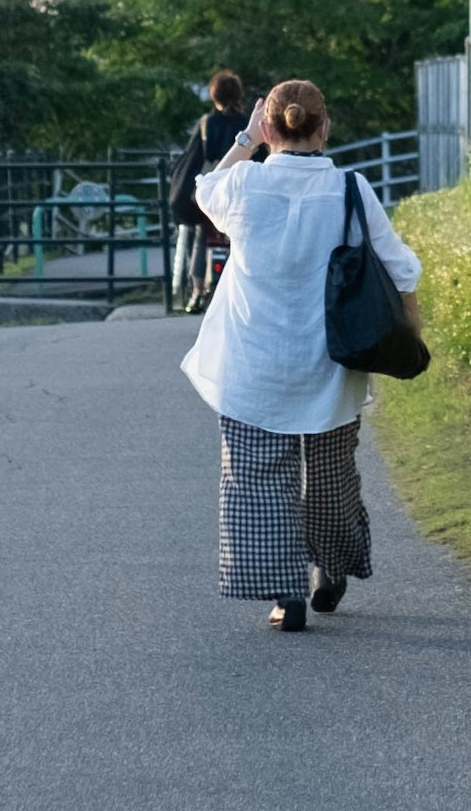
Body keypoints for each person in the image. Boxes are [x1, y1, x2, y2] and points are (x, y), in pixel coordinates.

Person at [180, 76, 419, 632]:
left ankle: (286, 597)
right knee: (333, 477)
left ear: (270, 128)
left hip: (252, 362)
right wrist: (410, 331)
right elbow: (402, 268)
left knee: (259, 479)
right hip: (332, 363)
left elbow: (202, 189)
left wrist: (246, 138)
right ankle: (330, 568)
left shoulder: (243, 186)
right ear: (325, 127)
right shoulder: (352, 190)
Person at [165, 72, 250, 313]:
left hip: (211, 193)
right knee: (238, 238)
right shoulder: (246, 124)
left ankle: (196, 292)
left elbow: (190, 158)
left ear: (214, 96)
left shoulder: (206, 123)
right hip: (239, 192)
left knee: (201, 236)